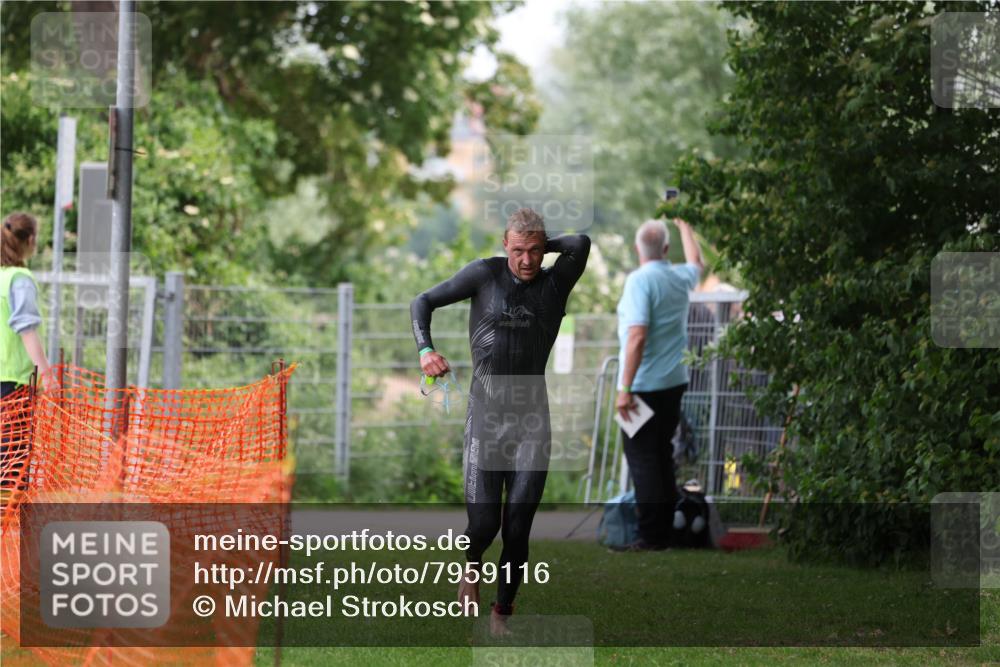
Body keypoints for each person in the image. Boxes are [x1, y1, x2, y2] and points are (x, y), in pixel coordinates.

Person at [410, 208, 589, 634]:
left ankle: (501, 613)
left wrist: (543, 242)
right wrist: (425, 351)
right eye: (518, 250)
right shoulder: (484, 275)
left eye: (535, 251)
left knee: (518, 527)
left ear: (544, 249)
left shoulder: (556, 282)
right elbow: (422, 302)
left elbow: (580, 243)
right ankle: (471, 564)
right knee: (485, 524)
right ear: (504, 245)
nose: (527, 260)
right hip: (486, 416)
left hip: (532, 421)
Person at [614, 217, 704, 551]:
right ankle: (666, 532)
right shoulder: (679, 277)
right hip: (674, 382)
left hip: (642, 386)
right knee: (662, 454)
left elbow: (637, 335)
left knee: (642, 459)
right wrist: (685, 225)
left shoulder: (639, 281)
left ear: (637, 248)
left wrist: (625, 389)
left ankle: (651, 536)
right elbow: (697, 263)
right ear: (665, 249)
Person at [1, 212, 52, 496]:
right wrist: (47, 373)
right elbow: (27, 329)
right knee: (12, 464)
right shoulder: (18, 279)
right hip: (12, 385)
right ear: (30, 240)